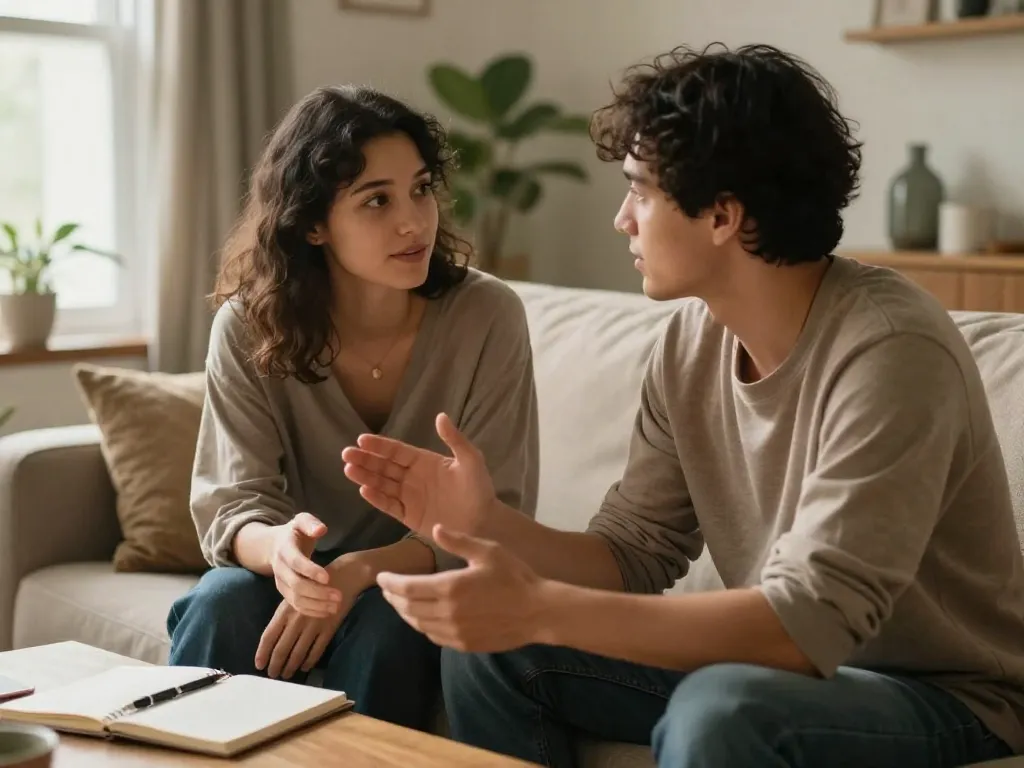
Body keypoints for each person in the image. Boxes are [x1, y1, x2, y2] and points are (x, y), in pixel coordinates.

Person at [340, 43, 1024, 767]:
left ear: (722, 215)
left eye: (640, 192)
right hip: (784, 674)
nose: (622, 219)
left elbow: (810, 623)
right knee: (492, 650)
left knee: (722, 709)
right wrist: (486, 523)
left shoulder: (890, 348)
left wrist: (542, 606)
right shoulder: (691, 342)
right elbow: (632, 553)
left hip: (943, 694)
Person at [165, 84, 539, 733]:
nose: (414, 222)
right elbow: (233, 504)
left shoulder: (487, 316)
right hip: (294, 572)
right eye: (377, 200)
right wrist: (284, 552)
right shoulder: (248, 327)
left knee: (389, 624)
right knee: (221, 601)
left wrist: (358, 571)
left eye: (420, 189)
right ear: (313, 223)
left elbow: (496, 514)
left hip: (417, 576)